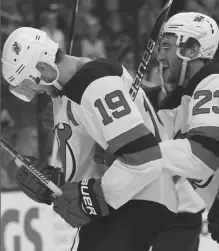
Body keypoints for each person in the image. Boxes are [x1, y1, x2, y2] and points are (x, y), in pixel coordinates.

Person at [1, 27, 179, 251]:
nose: (34, 91)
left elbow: (145, 157)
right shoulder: (71, 89)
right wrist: (55, 184)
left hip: (137, 203)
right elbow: (99, 164)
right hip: (121, 207)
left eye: (29, 84)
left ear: (43, 68)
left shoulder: (94, 83)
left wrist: (94, 196)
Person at [150, 12, 219, 250]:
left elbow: (204, 154)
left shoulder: (213, 83)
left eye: (166, 47)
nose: (159, 55)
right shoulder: (174, 106)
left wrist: (138, 152)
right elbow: (162, 169)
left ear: (191, 49)